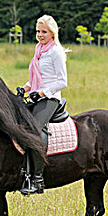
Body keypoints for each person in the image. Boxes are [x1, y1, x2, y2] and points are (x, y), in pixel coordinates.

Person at [19, 15, 68, 196]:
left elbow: (62, 81)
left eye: (44, 32)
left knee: (34, 130)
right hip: (35, 95)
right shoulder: (39, 49)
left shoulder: (56, 52)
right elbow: (37, 77)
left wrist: (41, 93)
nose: (40, 35)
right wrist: (25, 88)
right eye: (38, 31)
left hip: (50, 99)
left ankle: (38, 180)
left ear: (52, 33)